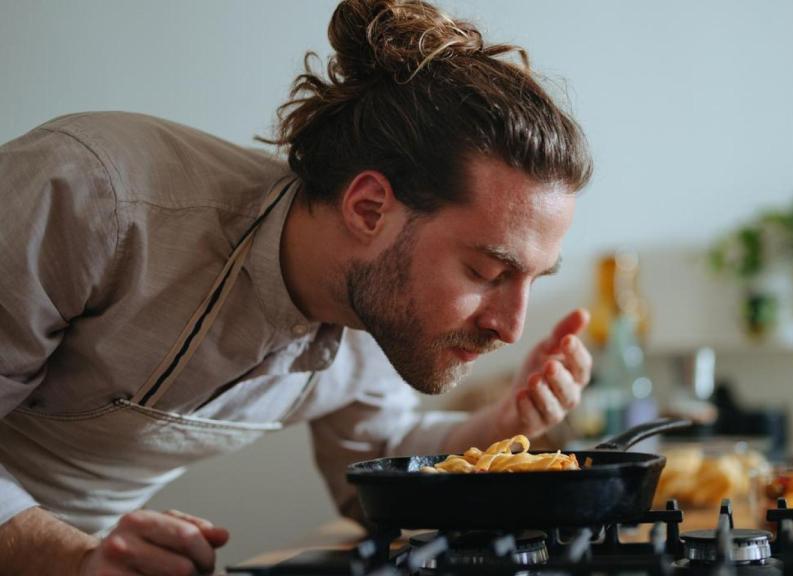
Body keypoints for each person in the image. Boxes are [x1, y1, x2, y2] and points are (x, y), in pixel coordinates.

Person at [0, 0, 593, 573]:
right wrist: (71, 557)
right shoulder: (89, 196)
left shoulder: (379, 303)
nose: (511, 327)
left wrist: (504, 424)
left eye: (532, 281)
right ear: (367, 209)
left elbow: (375, 470)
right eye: (488, 273)